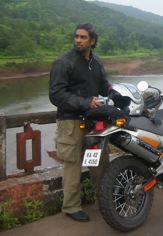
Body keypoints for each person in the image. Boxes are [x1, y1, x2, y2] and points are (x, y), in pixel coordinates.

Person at [49, 23, 110, 222]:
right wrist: (85, 102)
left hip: (92, 123)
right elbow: (56, 95)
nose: (78, 40)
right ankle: (71, 207)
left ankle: (104, 201)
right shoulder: (64, 62)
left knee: (98, 162)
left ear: (92, 41)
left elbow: (104, 86)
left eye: (83, 37)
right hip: (71, 122)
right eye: (76, 36)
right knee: (73, 164)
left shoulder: (96, 62)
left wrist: (117, 95)